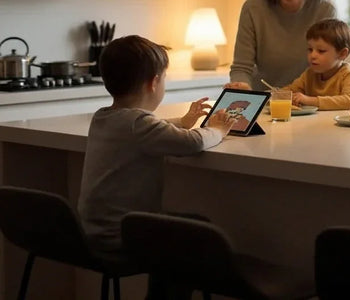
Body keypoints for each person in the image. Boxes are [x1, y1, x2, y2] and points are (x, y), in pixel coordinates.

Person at [77, 35, 237, 256]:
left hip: (92, 232)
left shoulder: (103, 117)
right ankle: (163, 293)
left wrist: (182, 122)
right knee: (200, 228)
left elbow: (143, 131)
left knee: (184, 226)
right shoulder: (139, 124)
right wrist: (217, 130)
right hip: (122, 235)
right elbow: (194, 142)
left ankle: (162, 290)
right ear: (153, 83)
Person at [227, 0, 337, 90]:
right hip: (265, 101)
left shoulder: (326, 9)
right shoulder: (253, 8)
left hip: (311, 102)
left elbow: (332, 66)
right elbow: (241, 67)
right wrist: (241, 87)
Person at [282, 18, 350, 110]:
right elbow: (290, 90)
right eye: (310, 49)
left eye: (321, 51)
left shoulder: (348, 75)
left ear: (342, 54)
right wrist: (278, 95)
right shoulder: (310, 74)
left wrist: (310, 100)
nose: (313, 55)